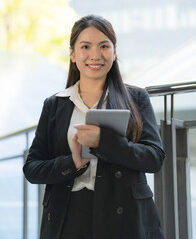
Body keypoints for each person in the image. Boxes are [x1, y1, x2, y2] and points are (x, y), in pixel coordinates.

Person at [23, 14, 165, 239]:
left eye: (104, 46)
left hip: (123, 214)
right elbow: (32, 168)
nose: (95, 55)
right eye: (85, 46)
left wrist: (105, 142)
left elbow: (154, 158)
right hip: (69, 215)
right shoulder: (55, 104)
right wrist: (72, 163)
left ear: (115, 51)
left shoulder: (136, 98)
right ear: (72, 53)